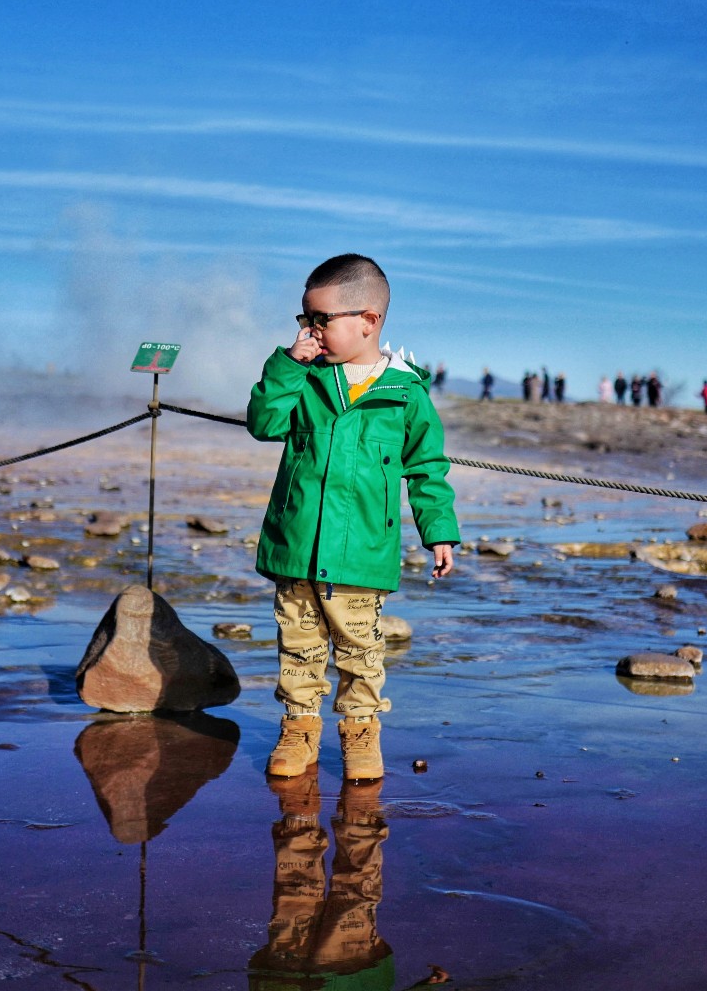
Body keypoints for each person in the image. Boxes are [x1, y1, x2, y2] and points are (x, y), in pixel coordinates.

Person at [249, 253, 459, 784]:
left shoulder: (405, 395)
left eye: (321, 320)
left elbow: (428, 468)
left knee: (361, 651)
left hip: (362, 553)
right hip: (297, 544)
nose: (310, 331)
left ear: (369, 321)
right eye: (305, 319)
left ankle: (361, 732)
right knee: (298, 646)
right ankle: (299, 728)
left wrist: (439, 533)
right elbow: (264, 422)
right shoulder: (305, 378)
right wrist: (288, 364)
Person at [251, 774, 392, 990]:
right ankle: (354, 792)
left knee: (305, 895)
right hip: (350, 970)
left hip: (296, 974)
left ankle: (303, 786)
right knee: (334, 895)